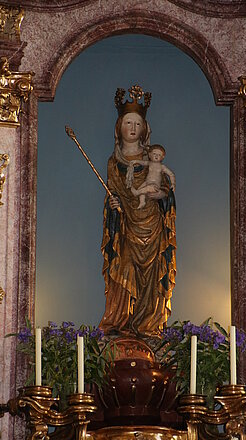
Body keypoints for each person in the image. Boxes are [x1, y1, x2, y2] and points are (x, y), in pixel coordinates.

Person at [99, 86, 176, 336]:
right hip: (125, 227)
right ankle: (120, 322)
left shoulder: (153, 158)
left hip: (152, 225)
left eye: (138, 123)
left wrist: (161, 195)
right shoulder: (113, 163)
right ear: (119, 126)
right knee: (124, 268)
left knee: (153, 275)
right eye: (128, 122)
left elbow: (167, 191)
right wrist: (111, 206)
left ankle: (149, 325)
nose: (132, 128)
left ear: (145, 129)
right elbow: (113, 194)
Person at [126, 144, 176, 209]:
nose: (156, 156)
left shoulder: (162, 167)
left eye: (159, 155)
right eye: (154, 154)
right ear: (149, 155)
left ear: (163, 157)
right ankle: (142, 202)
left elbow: (171, 174)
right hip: (147, 182)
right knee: (141, 189)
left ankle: (136, 193)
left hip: (155, 185)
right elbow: (142, 162)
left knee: (144, 189)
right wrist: (135, 161)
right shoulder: (149, 163)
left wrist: (173, 183)